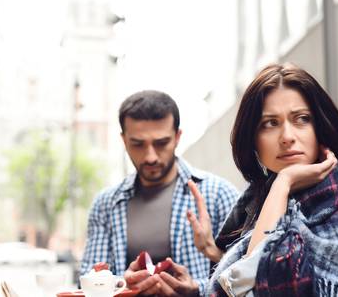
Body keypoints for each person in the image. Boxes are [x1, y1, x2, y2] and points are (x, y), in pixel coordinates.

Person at [188, 63, 338, 296]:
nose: (287, 137)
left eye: (301, 119)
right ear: (253, 140)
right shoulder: (258, 200)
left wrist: (283, 182)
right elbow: (245, 277)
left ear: (319, 126)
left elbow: (255, 284)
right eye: (270, 123)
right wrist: (208, 263)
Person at [79, 90, 239, 296]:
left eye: (161, 143)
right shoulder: (106, 204)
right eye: (138, 144)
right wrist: (123, 287)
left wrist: (196, 290)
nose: (150, 156)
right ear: (124, 140)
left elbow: (248, 279)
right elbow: (87, 283)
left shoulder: (219, 195)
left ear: (177, 137)